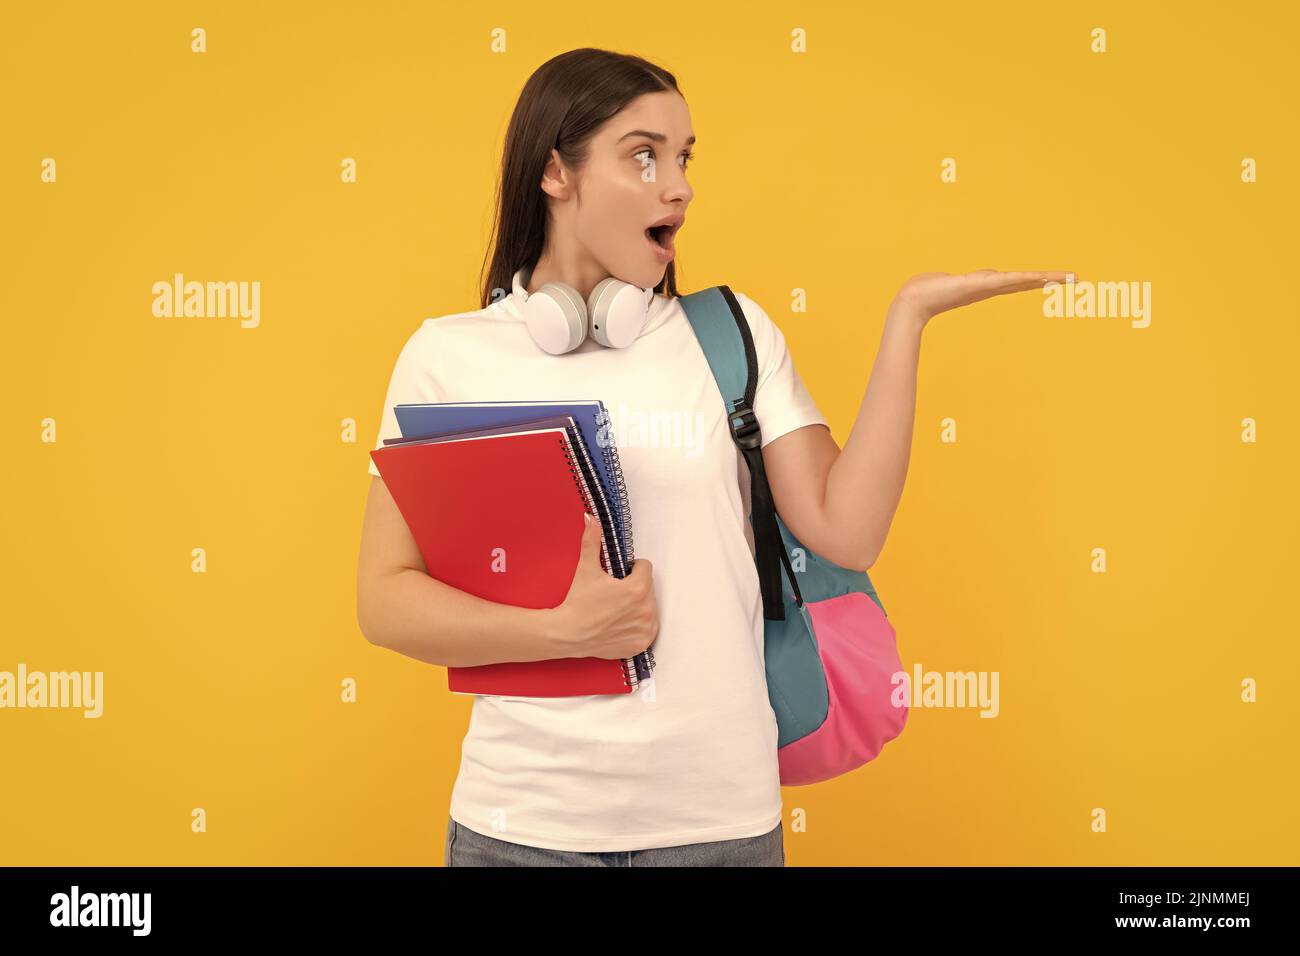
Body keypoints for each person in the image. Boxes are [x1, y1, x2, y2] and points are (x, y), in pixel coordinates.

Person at [355, 47, 1071, 867]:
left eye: (685, 156)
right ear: (557, 173)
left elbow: (848, 535)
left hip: (718, 827)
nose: (679, 185)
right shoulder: (448, 357)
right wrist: (562, 632)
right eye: (644, 155)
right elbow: (385, 601)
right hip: (520, 827)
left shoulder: (730, 335)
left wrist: (907, 320)